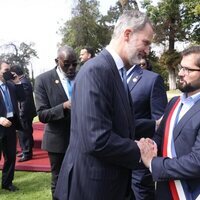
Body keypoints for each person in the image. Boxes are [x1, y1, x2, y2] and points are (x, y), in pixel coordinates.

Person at [54, 10, 154, 200]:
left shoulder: (115, 71)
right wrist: (139, 150)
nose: (147, 51)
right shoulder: (97, 70)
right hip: (91, 187)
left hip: (109, 184)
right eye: (146, 42)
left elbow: (119, 123)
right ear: (127, 34)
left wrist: (152, 127)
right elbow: (96, 139)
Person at [141, 45, 200, 199]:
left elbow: (197, 162)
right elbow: (161, 137)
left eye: (188, 69)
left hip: (191, 193)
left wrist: (154, 164)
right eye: (181, 67)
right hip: (164, 191)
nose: (180, 73)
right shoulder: (174, 102)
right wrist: (149, 145)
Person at [34, 45, 77, 200]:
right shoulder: (43, 80)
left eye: (74, 63)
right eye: (67, 64)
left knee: (79, 179)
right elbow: (42, 115)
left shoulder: (81, 77)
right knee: (59, 181)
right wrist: (64, 106)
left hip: (81, 139)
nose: (71, 68)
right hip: (58, 141)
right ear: (57, 61)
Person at [127, 63, 168, 199]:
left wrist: (148, 158)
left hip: (138, 165)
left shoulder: (151, 80)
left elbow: (160, 124)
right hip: (113, 161)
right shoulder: (108, 77)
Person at [0, 61, 25, 191]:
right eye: (5, 70)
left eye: (9, 70)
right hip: (0, 124)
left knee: (10, 156)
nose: (8, 72)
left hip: (10, 124)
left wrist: (18, 83)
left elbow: (22, 97)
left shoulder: (10, 85)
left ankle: (7, 183)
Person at [10, 65, 37, 162]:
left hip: (24, 113)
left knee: (24, 133)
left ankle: (27, 152)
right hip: (25, 112)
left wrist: (21, 113)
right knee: (26, 132)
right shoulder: (24, 80)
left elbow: (24, 100)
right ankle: (26, 150)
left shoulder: (23, 82)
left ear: (15, 73)